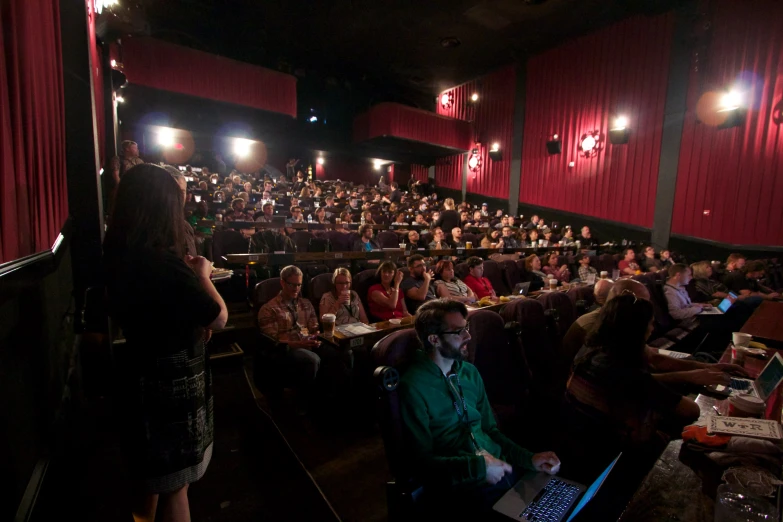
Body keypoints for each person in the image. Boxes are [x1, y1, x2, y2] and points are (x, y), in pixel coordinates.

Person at [104, 164, 228, 522]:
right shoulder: (162, 262)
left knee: (151, 475)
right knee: (177, 482)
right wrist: (204, 275)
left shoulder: (120, 251)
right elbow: (218, 316)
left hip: (140, 365)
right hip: (171, 375)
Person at [399, 300, 560, 515]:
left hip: (501, 469)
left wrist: (529, 459)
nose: (468, 336)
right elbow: (421, 463)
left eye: (466, 328)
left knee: (557, 506)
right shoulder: (413, 386)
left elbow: (491, 431)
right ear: (434, 339)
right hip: (462, 487)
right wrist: (478, 468)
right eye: (459, 331)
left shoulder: (469, 373)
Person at [561, 294, 701, 471]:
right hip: (611, 459)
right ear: (636, 330)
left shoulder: (590, 356)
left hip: (578, 445)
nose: (653, 327)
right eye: (650, 323)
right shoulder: (624, 371)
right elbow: (691, 410)